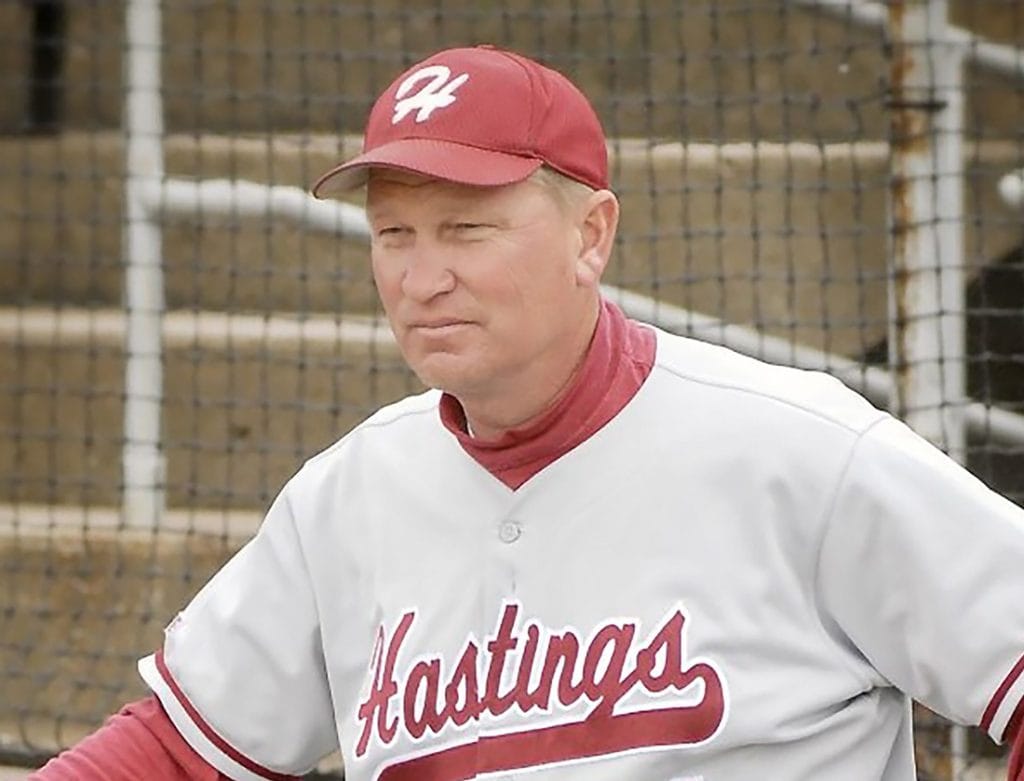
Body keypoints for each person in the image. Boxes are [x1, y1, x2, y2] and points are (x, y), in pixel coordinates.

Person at [33, 44, 1024, 781]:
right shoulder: (347, 495)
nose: (422, 277)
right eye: (393, 234)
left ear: (590, 233)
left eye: (467, 228)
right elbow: (175, 748)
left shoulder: (796, 445)